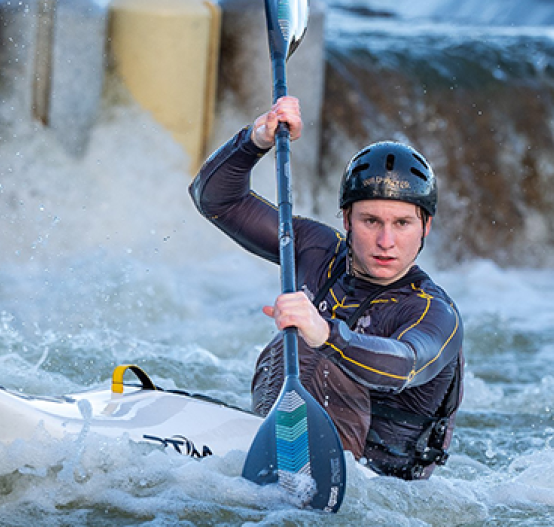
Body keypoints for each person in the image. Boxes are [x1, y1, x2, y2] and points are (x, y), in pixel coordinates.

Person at [189, 96, 464, 480]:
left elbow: (405, 363)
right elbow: (216, 199)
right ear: (347, 220)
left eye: (402, 224)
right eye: (370, 221)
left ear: (426, 227)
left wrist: (326, 333)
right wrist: (256, 138)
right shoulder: (317, 249)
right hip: (283, 451)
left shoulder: (433, 311)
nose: (386, 241)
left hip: (378, 490)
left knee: (309, 344)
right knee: (294, 346)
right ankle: (269, 442)